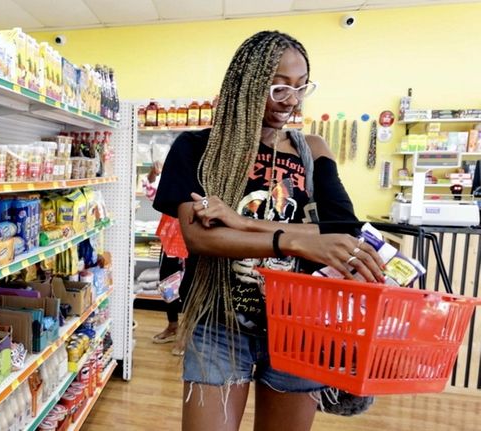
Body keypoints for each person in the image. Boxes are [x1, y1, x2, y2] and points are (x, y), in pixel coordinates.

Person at [153, 31, 385, 431]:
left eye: (299, 87)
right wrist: (294, 238)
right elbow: (200, 237)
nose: (290, 100)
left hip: (301, 326)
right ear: (246, 85)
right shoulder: (196, 148)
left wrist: (245, 222)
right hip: (218, 322)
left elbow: (342, 229)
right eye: (278, 87)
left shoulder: (313, 149)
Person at [143, 161, 184, 355]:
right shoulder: (172, 182)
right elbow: (151, 192)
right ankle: (173, 326)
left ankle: (188, 335)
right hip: (170, 240)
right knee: (167, 283)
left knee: (191, 286)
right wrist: (153, 174)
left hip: (194, 240)